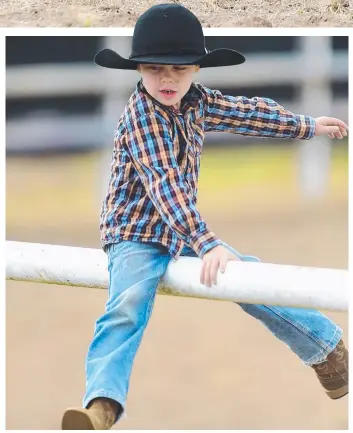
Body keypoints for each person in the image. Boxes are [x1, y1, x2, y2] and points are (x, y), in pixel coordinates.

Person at [61, 3, 349, 430]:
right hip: (136, 234)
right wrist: (206, 241)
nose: (167, 78)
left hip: (181, 234)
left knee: (249, 280)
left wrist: (305, 126)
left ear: (196, 68)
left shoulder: (197, 101)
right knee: (126, 305)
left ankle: (327, 350)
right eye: (155, 69)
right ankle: (102, 405)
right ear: (138, 69)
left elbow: (247, 113)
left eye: (178, 69)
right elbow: (164, 185)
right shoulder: (141, 117)